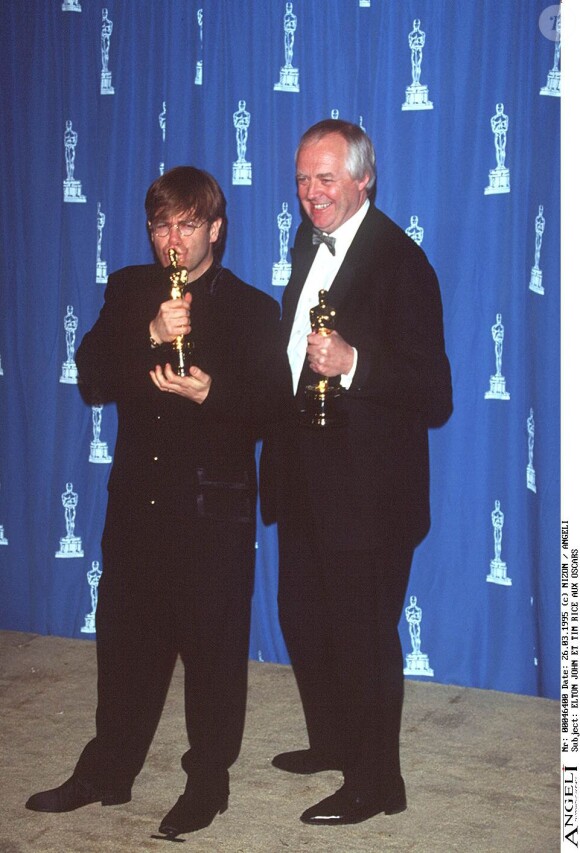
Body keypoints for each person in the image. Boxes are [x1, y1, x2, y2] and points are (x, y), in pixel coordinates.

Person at [26, 166, 286, 840]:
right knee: (123, 648)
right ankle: (107, 770)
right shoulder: (130, 290)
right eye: (162, 224)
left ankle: (209, 783)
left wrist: (213, 396)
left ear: (215, 231)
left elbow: (275, 409)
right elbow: (89, 377)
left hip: (213, 515)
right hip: (137, 508)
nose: (173, 237)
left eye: (188, 223)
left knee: (212, 659)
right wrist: (146, 330)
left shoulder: (254, 308)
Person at [261, 119, 452, 826]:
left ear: (364, 178)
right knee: (305, 618)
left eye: (327, 178)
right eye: (304, 178)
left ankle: (378, 783)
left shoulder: (403, 262)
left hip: (370, 493)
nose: (312, 193)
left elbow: (436, 392)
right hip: (304, 475)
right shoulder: (308, 241)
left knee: (361, 632)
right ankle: (336, 743)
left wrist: (355, 363)